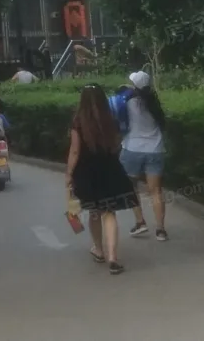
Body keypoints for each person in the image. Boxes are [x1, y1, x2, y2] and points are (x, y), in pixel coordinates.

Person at [65, 84, 138, 275]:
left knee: (94, 212)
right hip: (110, 169)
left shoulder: (78, 122)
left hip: (87, 172)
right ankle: (113, 257)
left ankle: (99, 250)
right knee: (109, 212)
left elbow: (75, 151)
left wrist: (69, 173)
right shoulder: (110, 119)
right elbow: (116, 143)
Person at [117, 70, 170, 240]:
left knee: (130, 187)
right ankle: (160, 229)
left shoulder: (127, 101)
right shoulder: (154, 103)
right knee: (156, 191)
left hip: (132, 148)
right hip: (155, 149)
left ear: (134, 86)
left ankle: (140, 222)